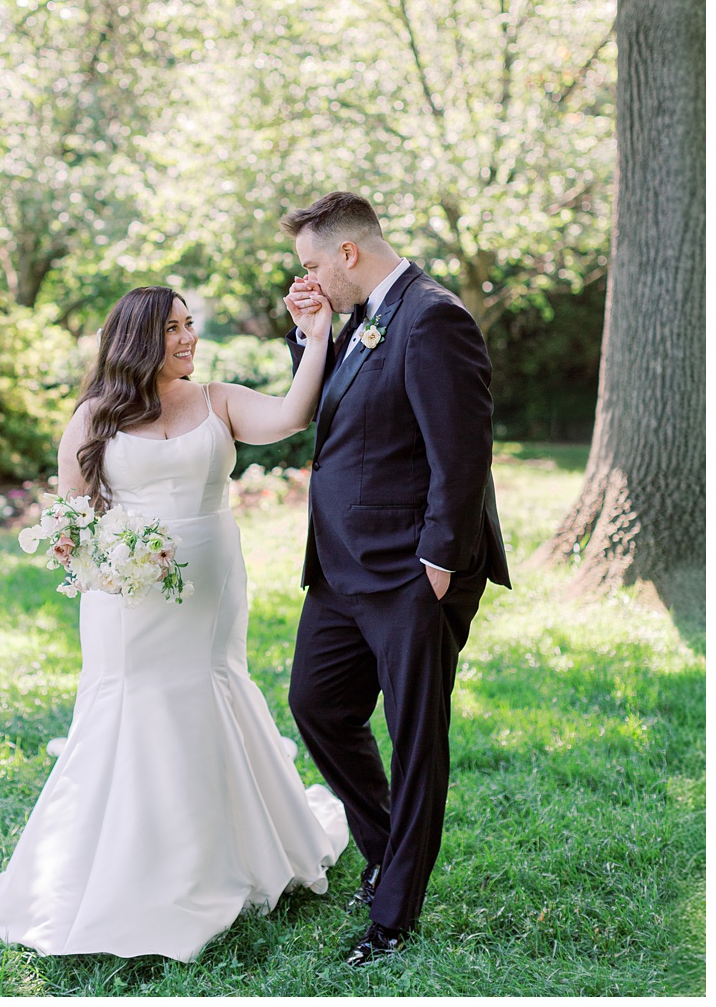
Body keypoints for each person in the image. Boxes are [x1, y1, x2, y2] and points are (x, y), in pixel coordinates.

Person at [0, 283, 349, 961]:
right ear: (137, 339)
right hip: (123, 600)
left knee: (208, 690)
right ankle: (118, 865)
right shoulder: (94, 414)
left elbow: (294, 414)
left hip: (210, 592)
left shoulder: (217, 398)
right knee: (128, 703)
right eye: (173, 329)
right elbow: (70, 522)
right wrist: (110, 563)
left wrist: (316, 334)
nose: (188, 338)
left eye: (190, 325)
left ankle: (221, 854)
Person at [279, 192, 509, 965]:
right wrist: (309, 335)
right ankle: (381, 847)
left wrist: (439, 565)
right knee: (316, 702)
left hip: (411, 571)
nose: (307, 277)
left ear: (348, 253)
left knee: (416, 741)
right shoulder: (362, 317)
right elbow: (340, 413)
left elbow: (463, 452)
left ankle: (393, 914)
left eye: (313, 264)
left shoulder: (433, 315)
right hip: (341, 570)